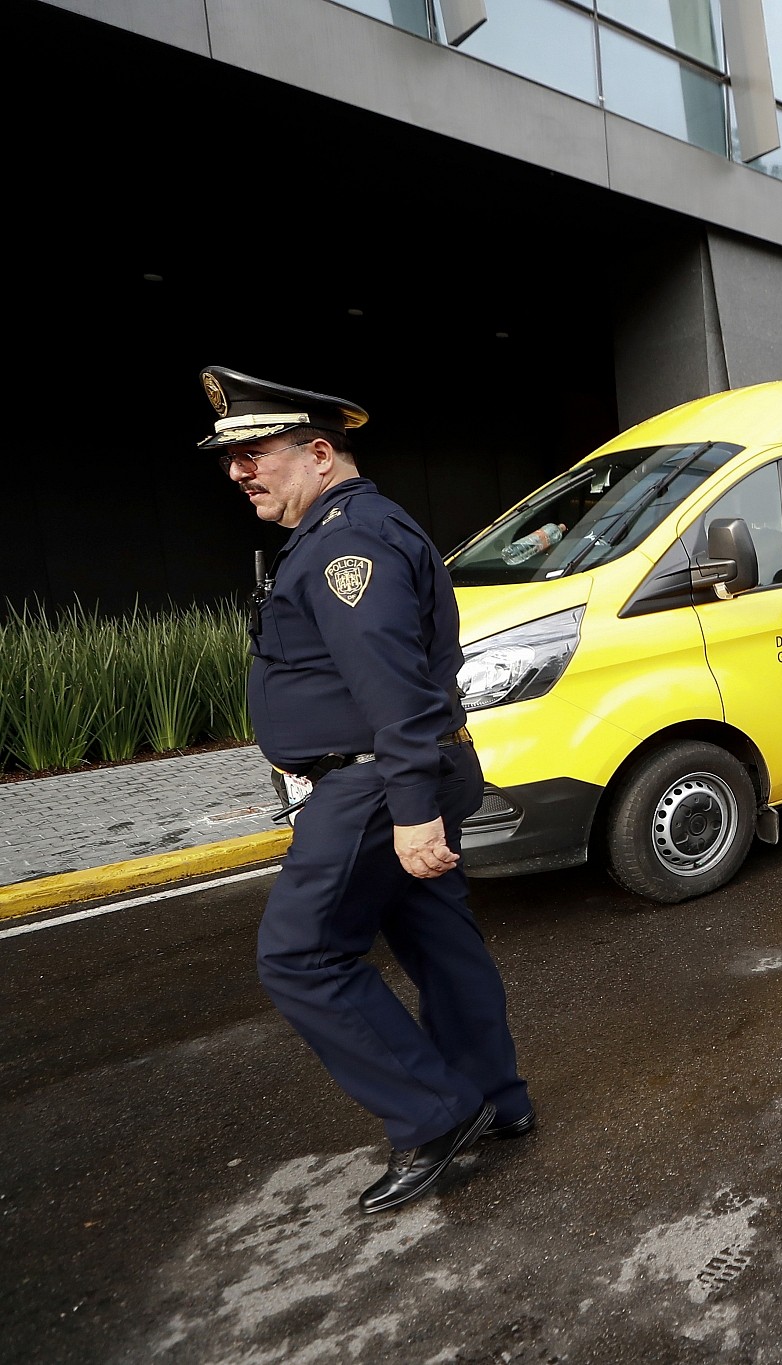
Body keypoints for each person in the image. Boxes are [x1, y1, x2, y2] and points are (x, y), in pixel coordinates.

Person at [202, 365, 530, 1216]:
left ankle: (436, 1114)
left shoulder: (350, 543)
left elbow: (397, 688)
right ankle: (497, 1096)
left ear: (318, 451)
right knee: (439, 943)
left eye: (255, 451)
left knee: (300, 954)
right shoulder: (345, 530)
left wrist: (413, 811)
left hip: (377, 782)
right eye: (229, 456)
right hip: (391, 774)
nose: (239, 470)